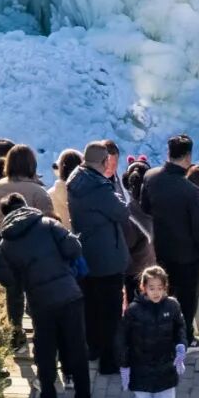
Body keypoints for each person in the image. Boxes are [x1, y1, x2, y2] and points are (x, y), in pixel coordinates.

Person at [0, 191, 96, 398]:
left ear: (5, 215)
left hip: (39, 302)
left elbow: (6, 279)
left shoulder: (6, 243)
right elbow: (74, 248)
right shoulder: (49, 224)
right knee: (77, 346)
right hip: (69, 294)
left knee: (45, 351)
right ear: (25, 205)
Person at [142, 136, 199, 334]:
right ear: (188, 157)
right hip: (187, 257)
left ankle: (161, 334)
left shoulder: (150, 177)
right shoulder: (191, 191)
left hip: (160, 251)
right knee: (186, 300)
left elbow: (145, 209)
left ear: (168, 153)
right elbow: (198, 229)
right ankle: (186, 338)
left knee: (162, 295)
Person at [65, 140, 130, 375]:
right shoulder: (100, 187)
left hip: (87, 252)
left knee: (91, 307)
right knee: (111, 311)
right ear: (103, 161)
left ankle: (93, 349)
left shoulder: (75, 178)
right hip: (107, 256)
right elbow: (122, 212)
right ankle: (110, 361)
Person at [118, 264, 186, 398]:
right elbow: (122, 337)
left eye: (159, 288)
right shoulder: (133, 310)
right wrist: (124, 364)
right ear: (143, 288)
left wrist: (181, 346)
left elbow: (180, 328)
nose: (156, 292)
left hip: (166, 363)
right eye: (152, 288)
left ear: (165, 287)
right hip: (141, 364)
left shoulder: (172, 306)